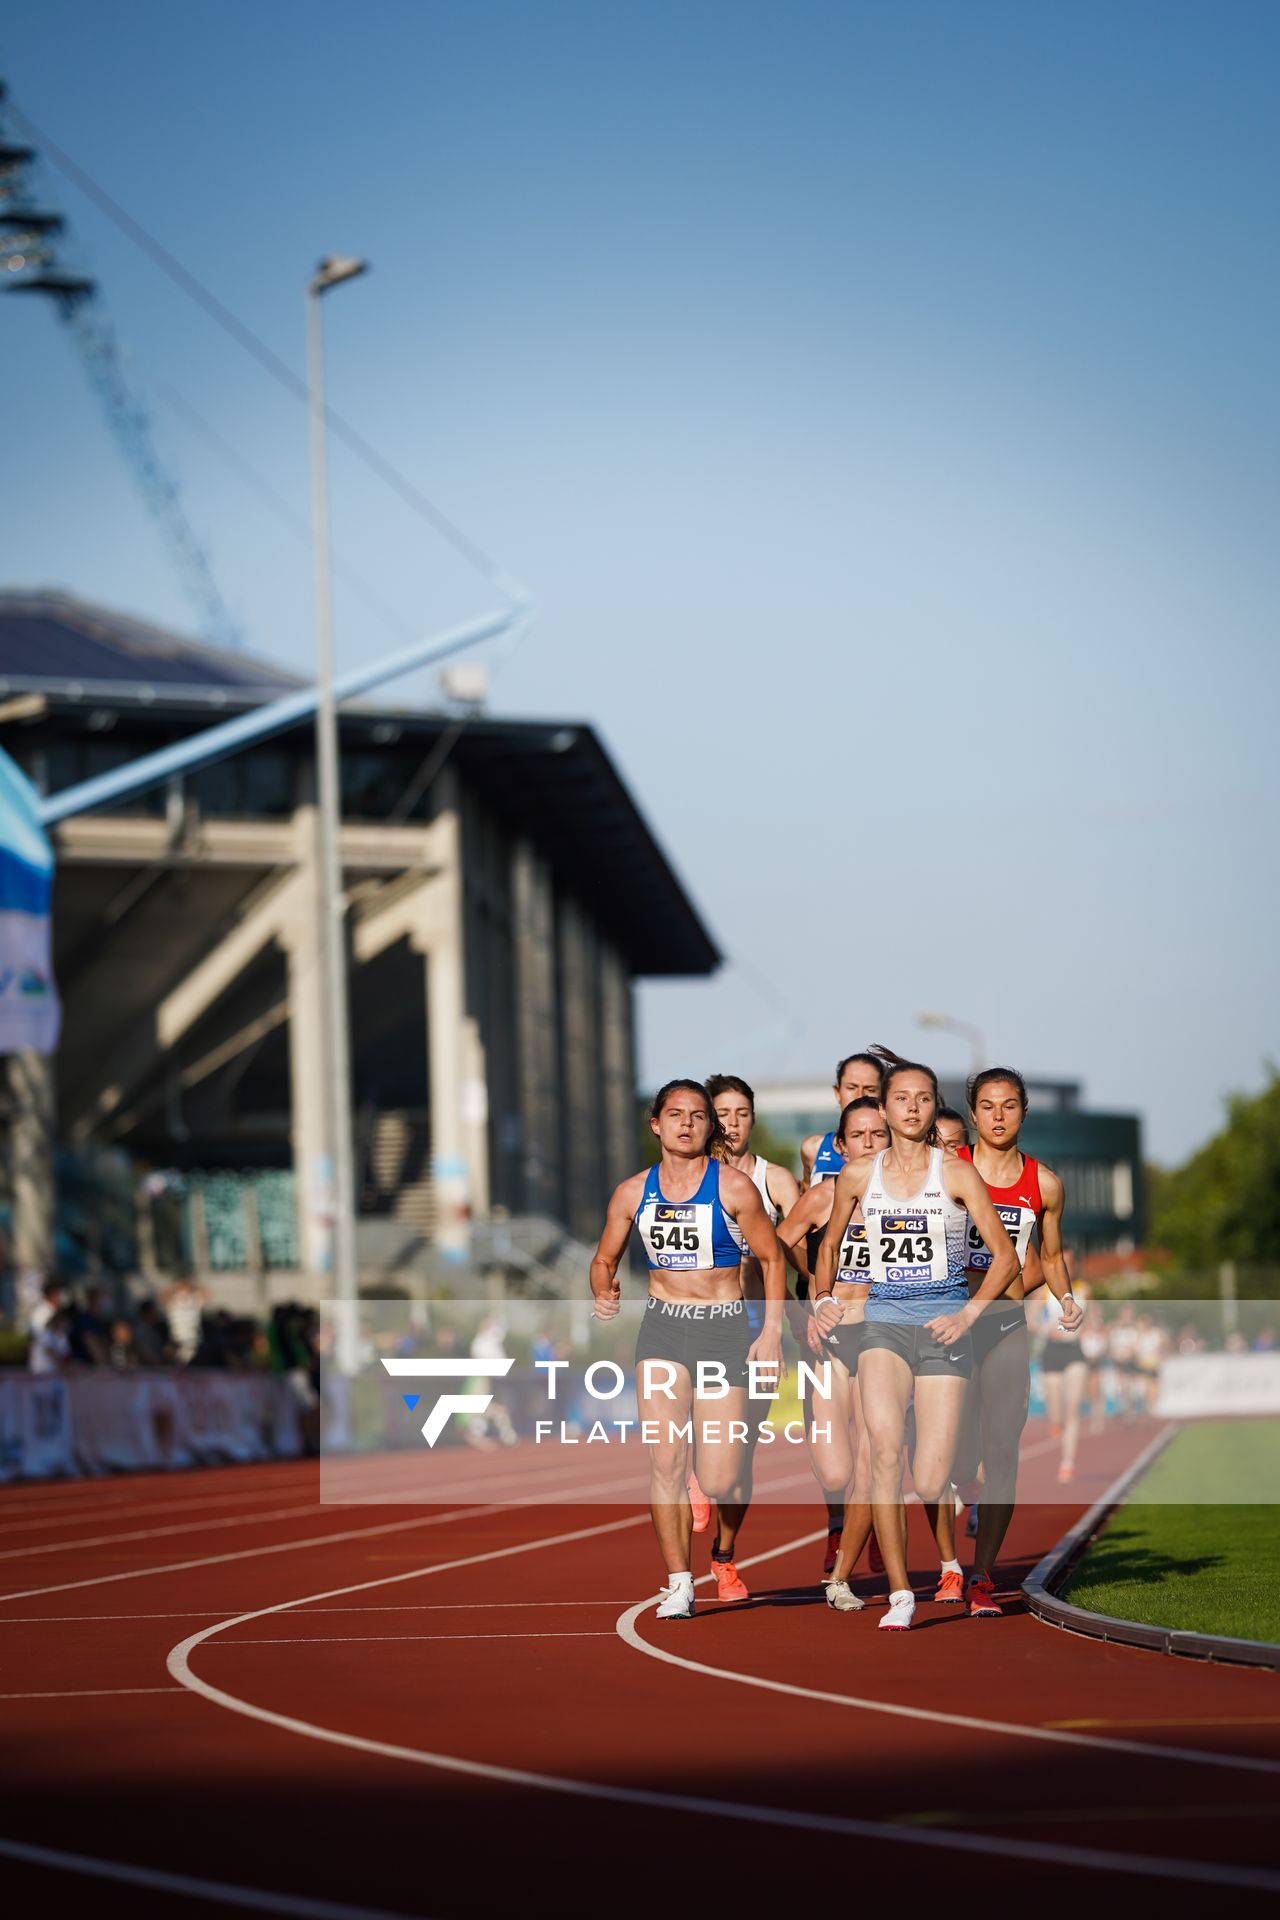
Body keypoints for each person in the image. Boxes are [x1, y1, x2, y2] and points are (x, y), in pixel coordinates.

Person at [815, 1058, 1018, 1630]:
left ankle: (937, 1550)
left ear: (933, 1107)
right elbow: (828, 1245)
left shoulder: (955, 1173)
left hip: (942, 1326)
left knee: (930, 1479)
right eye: (900, 1098)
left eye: (923, 1098)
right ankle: (902, 1593)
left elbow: (1005, 1256)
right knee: (882, 1454)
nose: (911, 1108)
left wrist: (970, 1314)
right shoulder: (857, 1176)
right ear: (883, 1107)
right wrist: (825, 1298)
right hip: (882, 1324)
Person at [590, 1078, 787, 1620]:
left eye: (698, 1116)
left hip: (723, 1328)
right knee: (665, 1461)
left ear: (711, 1127)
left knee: (722, 1477)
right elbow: (604, 1257)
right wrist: (603, 1290)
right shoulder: (633, 1192)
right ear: (655, 1124)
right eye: (674, 1114)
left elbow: (772, 1261)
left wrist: (770, 1332)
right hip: (662, 1330)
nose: (685, 1124)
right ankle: (679, 1581)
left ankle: (710, 1494)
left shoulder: (734, 1189)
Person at [953, 1067, 1083, 1613]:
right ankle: (963, 1513)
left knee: (1003, 1449)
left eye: (1009, 1106)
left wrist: (1066, 1298)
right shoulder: (948, 1171)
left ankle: (980, 1574)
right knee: (949, 1459)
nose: (998, 1116)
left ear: (1023, 1112)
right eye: (987, 1106)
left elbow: (1049, 1256)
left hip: (1004, 1326)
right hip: (948, 1323)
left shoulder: (1043, 1184)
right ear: (973, 1114)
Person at [779, 1097, 887, 1602]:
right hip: (832, 1339)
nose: (869, 1143)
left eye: (878, 1134)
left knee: (873, 1461)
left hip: (885, 1338)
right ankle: (849, 1532)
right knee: (837, 1470)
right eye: (858, 1136)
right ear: (839, 1146)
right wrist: (797, 1308)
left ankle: (841, 1576)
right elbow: (773, 1245)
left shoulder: (912, 1197)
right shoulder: (823, 1196)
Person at [705, 1074, 801, 1590]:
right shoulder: (691, 1180)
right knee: (705, 1439)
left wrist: (779, 1243)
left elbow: (806, 1249)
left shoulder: (776, 1180)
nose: (733, 1123)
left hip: (758, 1324)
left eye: (743, 1113)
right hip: (704, 1321)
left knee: (742, 1448)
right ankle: (699, 1479)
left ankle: (724, 1554)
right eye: (724, 1112)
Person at [800, 1053, 887, 1188]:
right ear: (838, 1092)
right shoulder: (813, 1149)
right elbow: (806, 1197)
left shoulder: (894, 1150)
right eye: (851, 1088)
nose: (859, 1096)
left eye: (870, 1089)